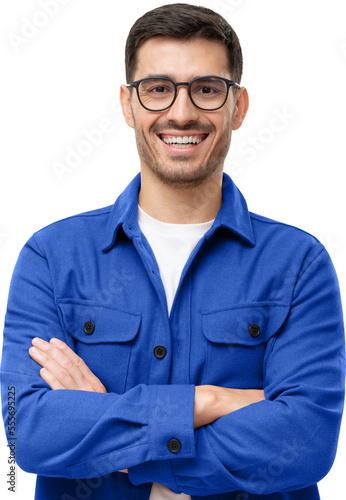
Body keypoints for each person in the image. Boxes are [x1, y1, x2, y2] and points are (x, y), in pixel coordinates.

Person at [1, 3, 345, 499]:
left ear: (238, 106)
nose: (181, 113)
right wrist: (208, 401)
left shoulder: (299, 264)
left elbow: (306, 440)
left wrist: (114, 435)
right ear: (127, 104)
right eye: (158, 89)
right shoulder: (51, 257)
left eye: (206, 89)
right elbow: (27, 433)